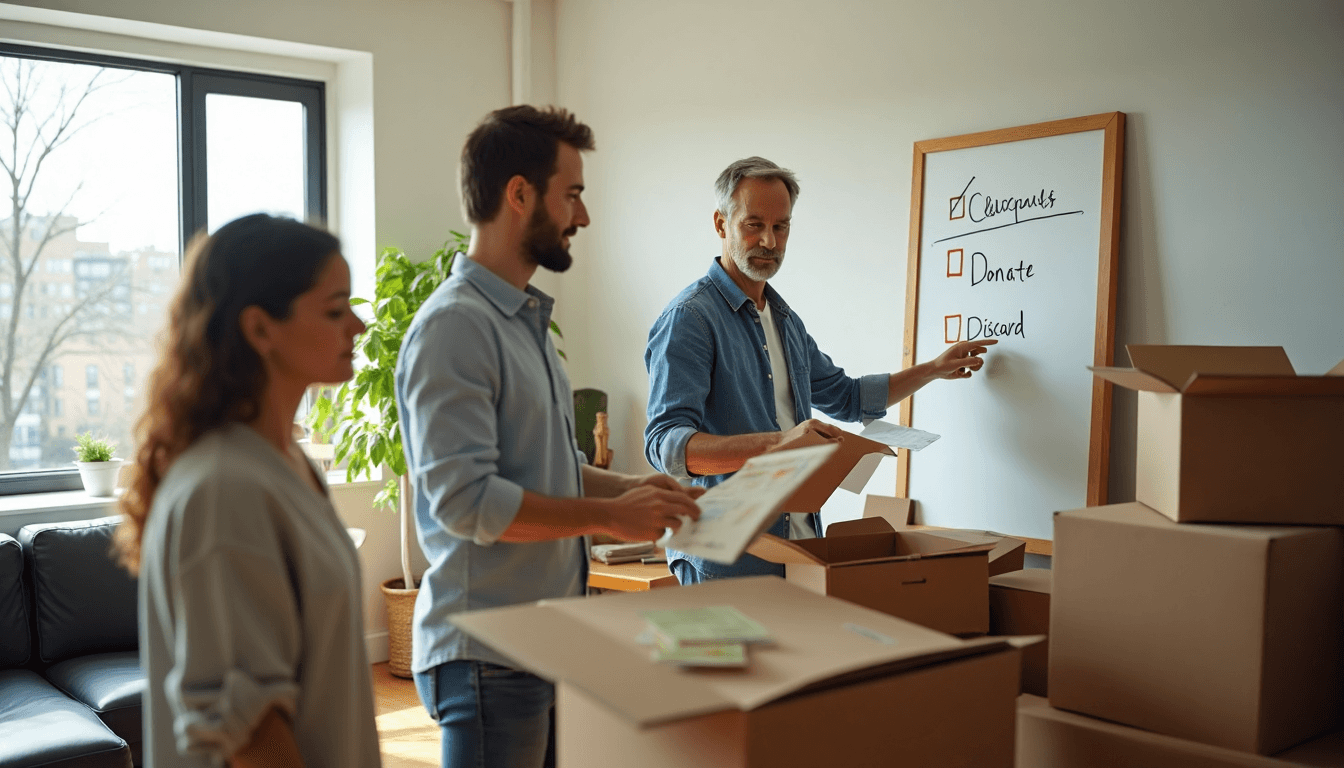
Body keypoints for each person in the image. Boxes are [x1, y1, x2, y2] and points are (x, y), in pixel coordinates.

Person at [394, 105, 703, 768]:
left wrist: (630, 487)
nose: (583, 217)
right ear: (519, 193)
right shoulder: (454, 327)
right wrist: (609, 515)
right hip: (488, 653)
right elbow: (468, 503)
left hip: (544, 639)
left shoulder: (521, 321)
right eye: (574, 195)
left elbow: (543, 464)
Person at [644, 156, 996, 585]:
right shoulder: (690, 318)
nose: (770, 242)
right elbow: (668, 447)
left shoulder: (785, 320)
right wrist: (779, 445)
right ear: (721, 225)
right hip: (724, 558)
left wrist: (932, 369)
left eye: (781, 226)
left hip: (798, 546)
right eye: (754, 225)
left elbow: (847, 398)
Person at [115, 214, 381, 767]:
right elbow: (252, 735)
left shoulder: (286, 462)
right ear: (260, 329)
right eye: (335, 310)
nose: (357, 327)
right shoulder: (222, 490)